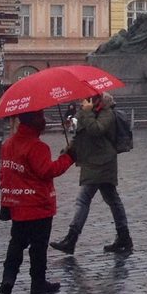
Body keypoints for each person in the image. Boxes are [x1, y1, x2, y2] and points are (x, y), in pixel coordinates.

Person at [0, 110, 74, 294]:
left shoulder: (8, 144)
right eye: (40, 117)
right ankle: (37, 283)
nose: (44, 121)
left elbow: (4, 173)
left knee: (16, 243)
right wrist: (68, 157)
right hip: (38, 204)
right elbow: (48, 170)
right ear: (32, 121)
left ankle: (8, 278)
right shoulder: (38, 146)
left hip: (17, 203)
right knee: (38, 248)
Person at [51, 93, 132, 257]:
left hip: (102, 163)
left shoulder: (107, 112)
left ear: (96, 99)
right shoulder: (90, 112)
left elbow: (96, 130)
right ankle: (124, 238)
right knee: (112, 200)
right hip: (93, 162)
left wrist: (86, 113)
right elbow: (83, 135)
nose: (84, 101)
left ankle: (71, 239)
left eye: (88, 99)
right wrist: (71, 147)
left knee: (84, 199)